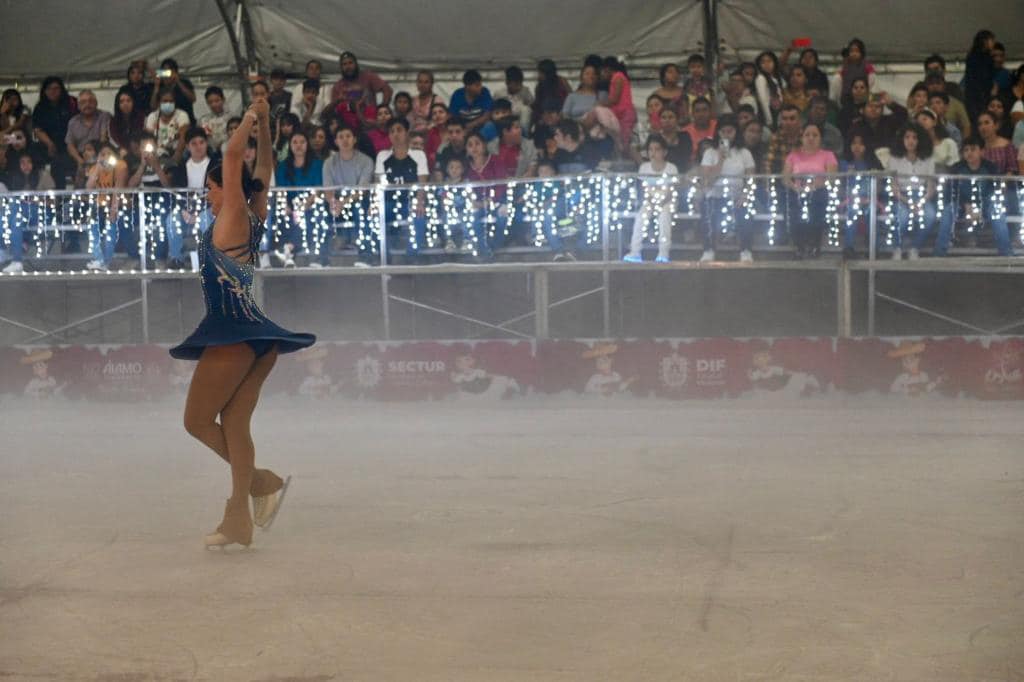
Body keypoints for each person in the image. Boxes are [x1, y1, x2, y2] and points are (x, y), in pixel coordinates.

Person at [172, 97, 313, 549]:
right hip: (259, 340)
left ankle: (259, 484)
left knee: (196, 421)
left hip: (234, 335)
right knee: (233, 425)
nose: (210, 195)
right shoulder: (255, 214)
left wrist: (252, 117)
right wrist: (267, 126)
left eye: (211, 189)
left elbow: (234, 157)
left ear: (223, 187)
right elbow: (264, 168)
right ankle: (240, 514)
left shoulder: (233, 213)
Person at [937, 136, 1013, 256]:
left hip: (986, 203)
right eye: (966, 150)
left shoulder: (990, 167)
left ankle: (1006, 253)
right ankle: (939, 253)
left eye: (973, 149)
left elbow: (995, 189)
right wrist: (965, 204)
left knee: (997, 211)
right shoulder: (956, 168)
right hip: (961, 204)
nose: (969, 153)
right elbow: (950, 191)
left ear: (982, 151)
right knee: (948, 211)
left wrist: (980, 207)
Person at [699, 116, 757, 263]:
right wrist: (721, 159)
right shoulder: (710, 153)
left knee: (746, 211)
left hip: (738, 195)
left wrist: (745, 195)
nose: (726, 135)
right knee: (708, 208)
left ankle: (745, 250)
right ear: (718, 133)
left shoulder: (744, 153)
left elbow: (751, 179)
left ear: (736, 132)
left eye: (729, 131)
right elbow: (707, 181)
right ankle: (709, 249)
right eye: (723, 132)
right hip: (715, 195)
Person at [375, 118, 429, 259]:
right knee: (376, 216)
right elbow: (379, 184)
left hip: (410, 202)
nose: (395, 134)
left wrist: (419, 202)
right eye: (392, 131)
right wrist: (375, 203)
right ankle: (384, 258)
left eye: (399, 130)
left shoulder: (419, 155)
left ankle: (412, 257)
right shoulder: (382, 156)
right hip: (389, 203)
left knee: (419, 216)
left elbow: (422, 183)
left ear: (407, 133)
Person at [883, 122, 938, 260]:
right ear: (902, 140)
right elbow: (893, 187)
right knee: (902, 217)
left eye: (914, 137)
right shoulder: (894, 159)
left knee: (930, 216)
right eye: (907, 137)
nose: (911, 141)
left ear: (920, 140)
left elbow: (931, 188)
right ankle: (897, 248)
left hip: (922, 196)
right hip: (901, 196)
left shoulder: (928, 159)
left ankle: (915, 247)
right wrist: (908, 202)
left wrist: (920, 203)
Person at [783, 122, 838, 258]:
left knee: (817, 210)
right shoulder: (793, 155)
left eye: (815, 135)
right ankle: (799, 245)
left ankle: (814, 244)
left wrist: (813, 187)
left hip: (819, 191)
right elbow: (785, 178)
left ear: (820, 138)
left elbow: (831, 178)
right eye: (807, 135)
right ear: (801, 137)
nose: (811, 138)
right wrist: (796, 187)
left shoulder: (828, 155)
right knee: (792, 210)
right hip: (797, 192)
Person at [322, 123, 375, 266]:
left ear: (354, 139)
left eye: (348, 136)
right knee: (320, 210)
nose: (345, 140)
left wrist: (343, 203)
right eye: (341, 137)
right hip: (337, 202)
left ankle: (365, 256)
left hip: (357, 200)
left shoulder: (366, 161)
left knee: (361, 209)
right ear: (336, 141)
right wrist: (333, 203)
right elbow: (328, 189)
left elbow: (362, 189)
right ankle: (322, 259)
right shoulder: (329, 163)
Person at [623, 135, 679, 264]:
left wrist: (661, 201)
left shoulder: (672, 168)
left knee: (664, 217)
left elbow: (671, 191)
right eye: (650, 149)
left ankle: (663, 253)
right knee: (641, 217)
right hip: (650, 200)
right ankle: (635, 252)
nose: (653, 153)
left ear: (664, 152)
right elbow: (645, 190)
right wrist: (652, 202)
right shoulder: (644, 167)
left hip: (668, 201)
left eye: (657, 149)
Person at [274, 130, 325, 267]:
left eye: (302, 142)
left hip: (311, 205)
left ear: (307, 144)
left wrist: (303, 206)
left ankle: (289, 249)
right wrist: (285, 205)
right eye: (295, 142)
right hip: (290, 207)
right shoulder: (283, 166)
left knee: (307, 216)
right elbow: (281, 191)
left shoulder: (317, 165)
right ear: (289, 146)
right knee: (285, 216)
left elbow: (318, 190)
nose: (298, 145)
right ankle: (289, 252)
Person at [0, 151, 56, 273]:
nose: (26, 165)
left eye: (29, 162)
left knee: (14, 212)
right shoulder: (15, 177)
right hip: (21, 213)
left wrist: (35, 200)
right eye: (22, 163)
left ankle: (10, 254)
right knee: (9, 214)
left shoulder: (43, 175)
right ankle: (12, 256)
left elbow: (53, 201)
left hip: (41, 212)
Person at [83, 143, 129, 271]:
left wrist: (113, 211)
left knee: (111, 230)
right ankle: (99, 260)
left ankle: (105, 261)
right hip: (98, 204)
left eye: (109, 153)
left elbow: (118, 190)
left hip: (115, 203)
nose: (106, 156)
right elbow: (88, 187)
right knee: (91, 228)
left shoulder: (120, 166)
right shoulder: (95, 168)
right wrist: (98, 167)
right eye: (102, 154)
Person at [328, 51, 393, 132]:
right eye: (344, 64)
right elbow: (332, 110)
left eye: (350, 63)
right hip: (349, 131)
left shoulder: (368, 76)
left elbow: (387, 90)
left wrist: (382, 110)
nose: (348, 66)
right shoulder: (337, 86)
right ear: (341, 67)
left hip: (371, 127)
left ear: (356, 64)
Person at [32, 77, 78, 189]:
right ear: (44, 91)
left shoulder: (71, 103)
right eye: (49, 88)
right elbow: (38, 129)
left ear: (61, 89)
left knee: (59, 162)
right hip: (49, 144)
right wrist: (49, 144)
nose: (52, 91)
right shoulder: (40, 107)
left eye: (56, 88)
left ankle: (68, 196)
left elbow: (78, 123)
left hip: (70, 144)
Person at [145, 88, 190, 167]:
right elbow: (149, 138)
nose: (168, 103)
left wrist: (177, 155)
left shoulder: (182, 115)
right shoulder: (152, 117)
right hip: (158, 152)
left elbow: (184, 136)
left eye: (171, 101)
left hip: (179, 152)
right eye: (165, 101)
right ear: (159, 103)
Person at [600, 57, 636, 151]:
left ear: (607, 69)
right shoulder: (616, 77)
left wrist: (600, 104)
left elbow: (614, 99)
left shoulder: (618, 77)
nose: (601, 75)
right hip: (621, 113)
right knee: (618, 139)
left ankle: (630, 160)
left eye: (602, 72)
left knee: (624, 141)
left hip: (625, 113)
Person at [963, 30, 998, 124]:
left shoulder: (973, 56)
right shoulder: (980, 58)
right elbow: (982, 78)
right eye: (992, 40)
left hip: (977, 95)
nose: (993, 43)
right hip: (979, 95)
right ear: (985, 41)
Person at [150, 58, 196, 124]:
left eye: (169, 71)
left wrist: (178, 81)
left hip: (186, 120)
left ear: (175, 72)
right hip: (166, 122)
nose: (167, 75)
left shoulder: (184, 82)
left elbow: (193, 99)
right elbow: (153, 107)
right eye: (164, 71)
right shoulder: (160, 85)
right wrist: (156, 87)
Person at [531, 59, 571, 134]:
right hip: (545, 116)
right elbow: (537, 104)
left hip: (561, 114)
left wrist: (560, 115)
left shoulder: (562, 81)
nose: (539, 75)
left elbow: (570, 99)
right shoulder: (539, 86)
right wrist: (541, 117)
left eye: (541, 73)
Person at [449, 70, 493, 135]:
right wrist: (462, 129)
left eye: (480, 84)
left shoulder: (484, 92)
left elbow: (487, 115)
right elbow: (452, 116)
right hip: (462, 128)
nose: (480, 87)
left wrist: (470, 125)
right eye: (477, 85)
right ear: (467, 86)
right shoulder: (457, 95)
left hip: (480, 128)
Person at [493, 66, 534, 135]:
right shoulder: (499, 93)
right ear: (507, 83)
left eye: (520, 84)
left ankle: (524, 136)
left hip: (519, 120)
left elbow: (532, 106)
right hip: (504, 119)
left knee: (526, 109)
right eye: (516, 84)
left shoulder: (525, 91)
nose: (519, 87)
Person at [763, 104, 803, 173]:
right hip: (781, 180)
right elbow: (767, 164)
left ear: (800, 121)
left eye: (792, 118)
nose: (788, 122)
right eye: (784, 119)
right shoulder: (775, 138)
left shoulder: (807, 137)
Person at [753, 50, 785, 129]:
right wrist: (769, 120)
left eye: (769, 61)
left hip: (778, 113)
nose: (767, 64)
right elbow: (763, 100)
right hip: (769, 115)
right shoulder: (761, 78)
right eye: (763, 62)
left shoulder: (778, 78)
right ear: (759, 65)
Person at [681, 97, 717, 162]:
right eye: (697, 111)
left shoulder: (719, 127)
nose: (701, 114)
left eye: (704, 110)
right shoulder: (684, 132)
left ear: (710, 111)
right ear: (692, 113)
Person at [200, 86, 233, 153]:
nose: (214, 104)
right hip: (210, 153)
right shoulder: (204, 120)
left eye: (217, 101)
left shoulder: (232, 118)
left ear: (223, 99)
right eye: (210, 102)